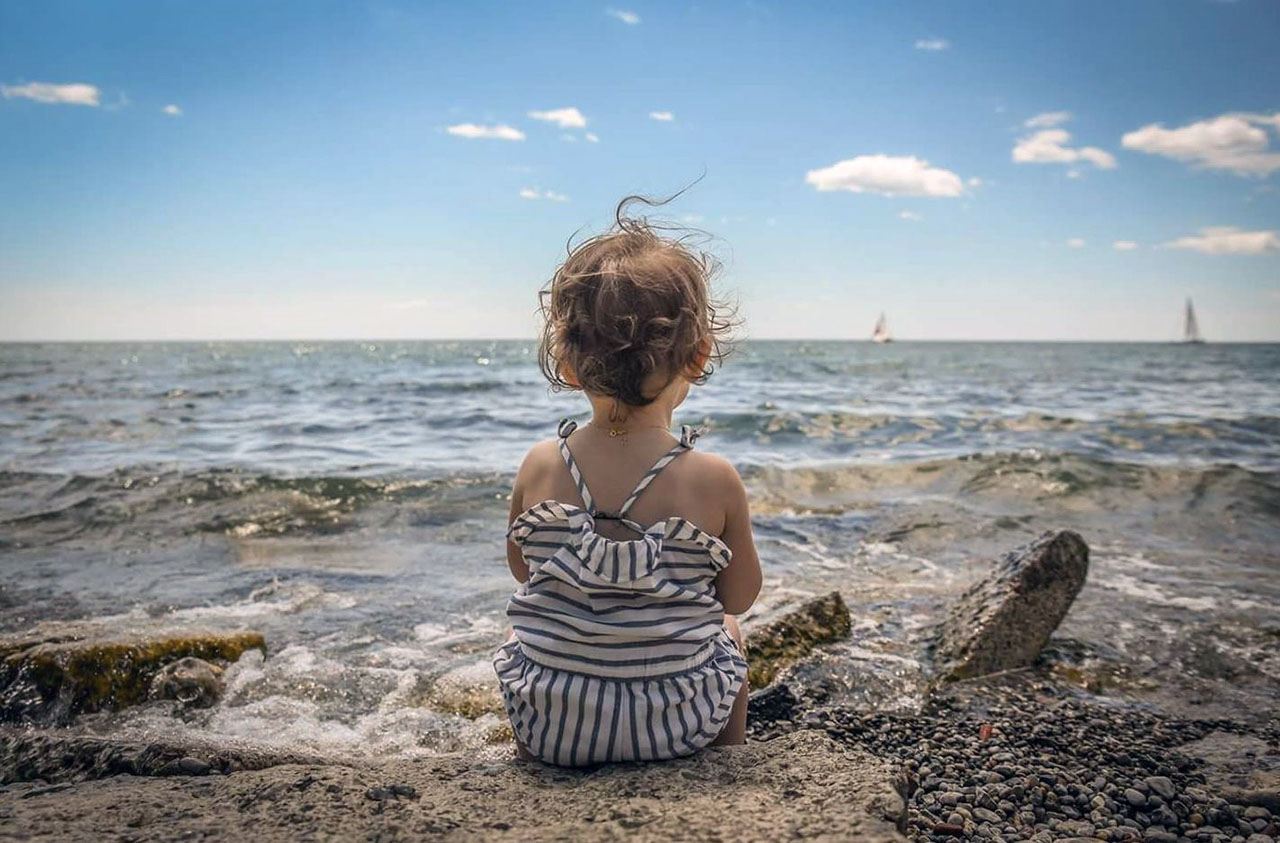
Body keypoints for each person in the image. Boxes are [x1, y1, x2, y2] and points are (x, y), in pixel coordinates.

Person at [492, 196, 763, 766]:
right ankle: (727, 758)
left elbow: (524, 572)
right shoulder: (713, 478)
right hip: (676, 728)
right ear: (697, 356)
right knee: (732, 631)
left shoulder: (541, 462)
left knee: (524, 637)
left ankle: (530, 758)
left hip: (555, 731)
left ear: (567, 365)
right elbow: (737, 596)